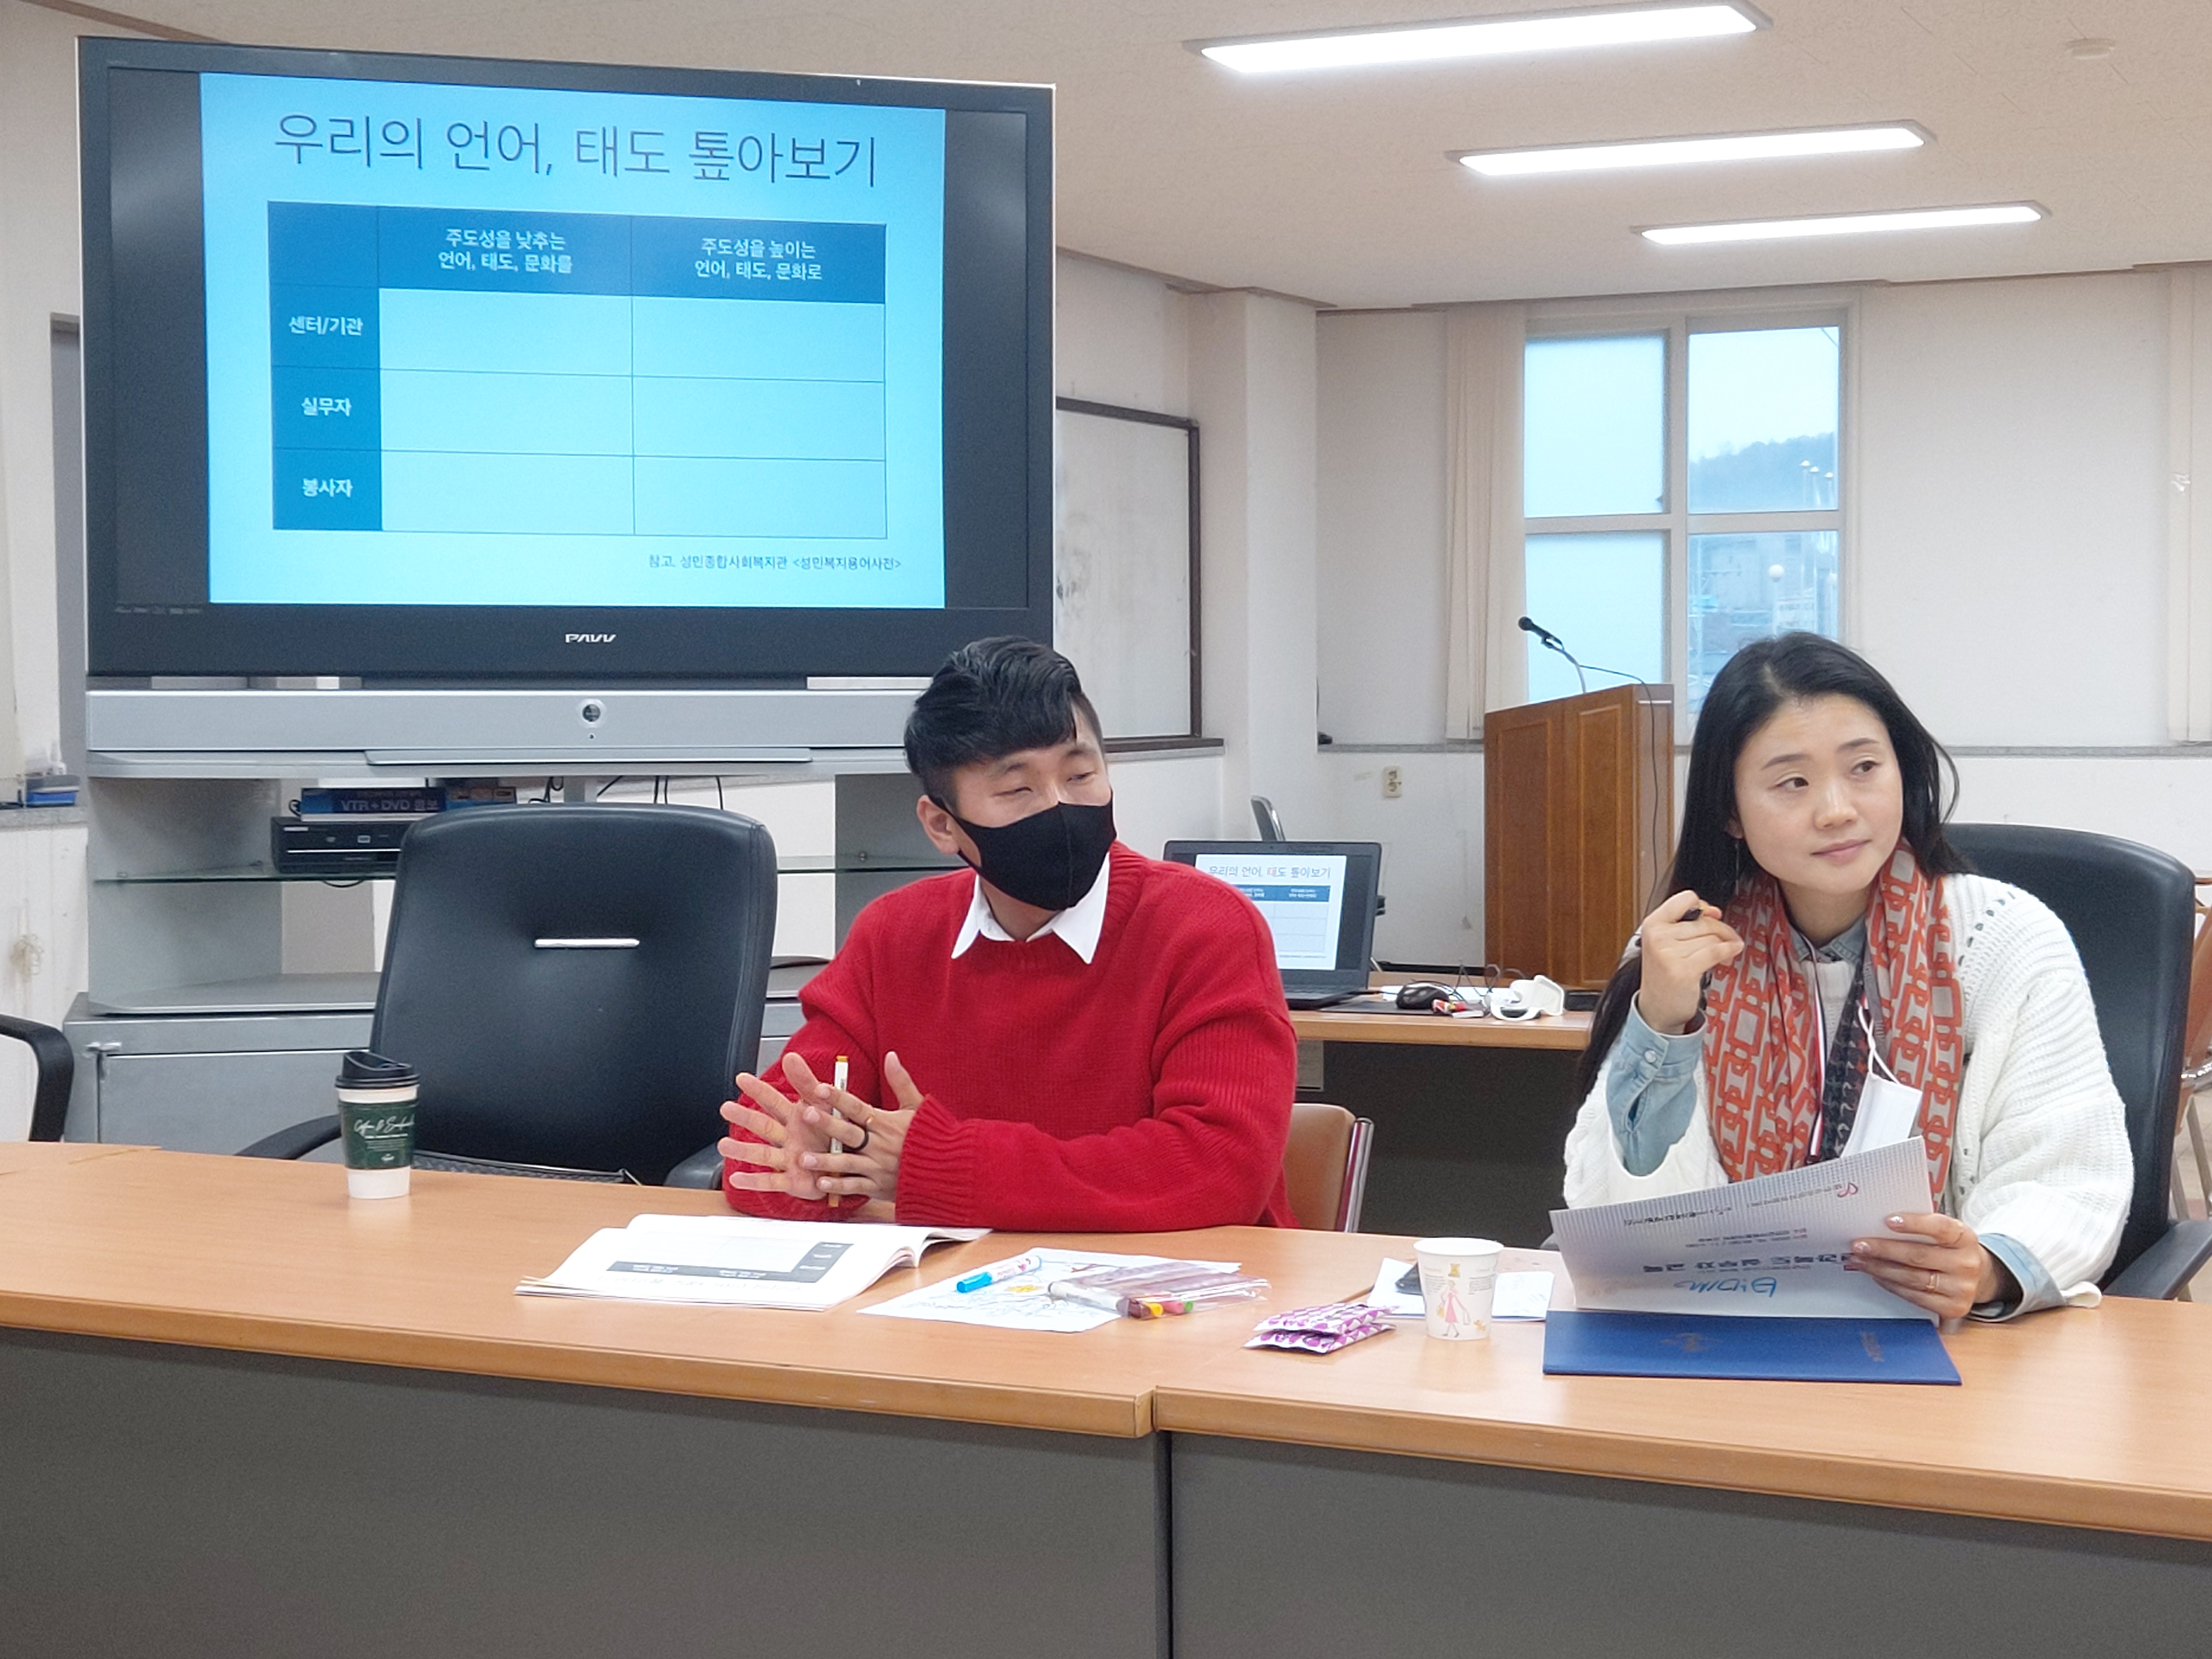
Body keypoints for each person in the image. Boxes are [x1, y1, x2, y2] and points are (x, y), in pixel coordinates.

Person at [1564, 634, 2132, 1321]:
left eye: (1864, 767)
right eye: (1793, 782)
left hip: (1949, 1341)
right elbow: (1621, 1220)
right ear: (1730, 812)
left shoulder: (2003, 938)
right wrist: (1663, 1023)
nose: (1837, 809)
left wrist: (1987, 1266)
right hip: (1727, 1328)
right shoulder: (1688, 949)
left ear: (1903, 772)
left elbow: (2070, 1169)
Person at [719, 636, 1298, 1230]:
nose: (1060, 806)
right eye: (1018, 789)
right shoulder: (894, 935)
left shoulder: (1206, 927)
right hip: (952, 1283)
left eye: (1081, 774)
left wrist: (940, 1167)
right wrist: (813, 1171)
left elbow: (1220, 1168)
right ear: (942, 825)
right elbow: (765, 1145)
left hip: (1186, 1282)